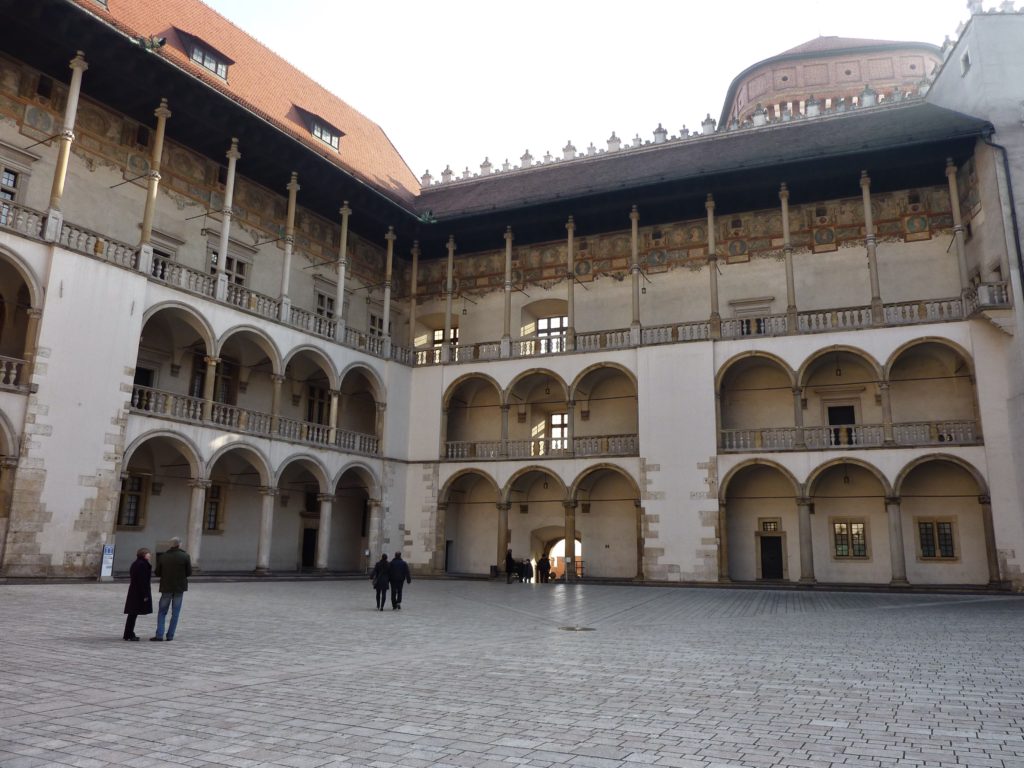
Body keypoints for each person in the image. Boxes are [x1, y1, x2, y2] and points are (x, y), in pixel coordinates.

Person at [151, 537, 192, 641]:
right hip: (179, 588)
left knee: (162, 612)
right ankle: (170, 635)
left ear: (170, 545)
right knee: (175, 613)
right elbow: (189, 572)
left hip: (166, 587)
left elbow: (157, 572)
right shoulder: (185, 556)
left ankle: (159, 634)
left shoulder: (164, 556)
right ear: (180, 545)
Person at [122, 547, 152, 641]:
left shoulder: (136, 563)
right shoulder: (142, 564)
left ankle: (128, 633)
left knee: (132, 614)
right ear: (144, 555)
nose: (149, 555)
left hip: (134, 591)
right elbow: (142, 581)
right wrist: (145, 595)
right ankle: (129, 634)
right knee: (133, 614)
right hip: (138, 593)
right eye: (148, 553)